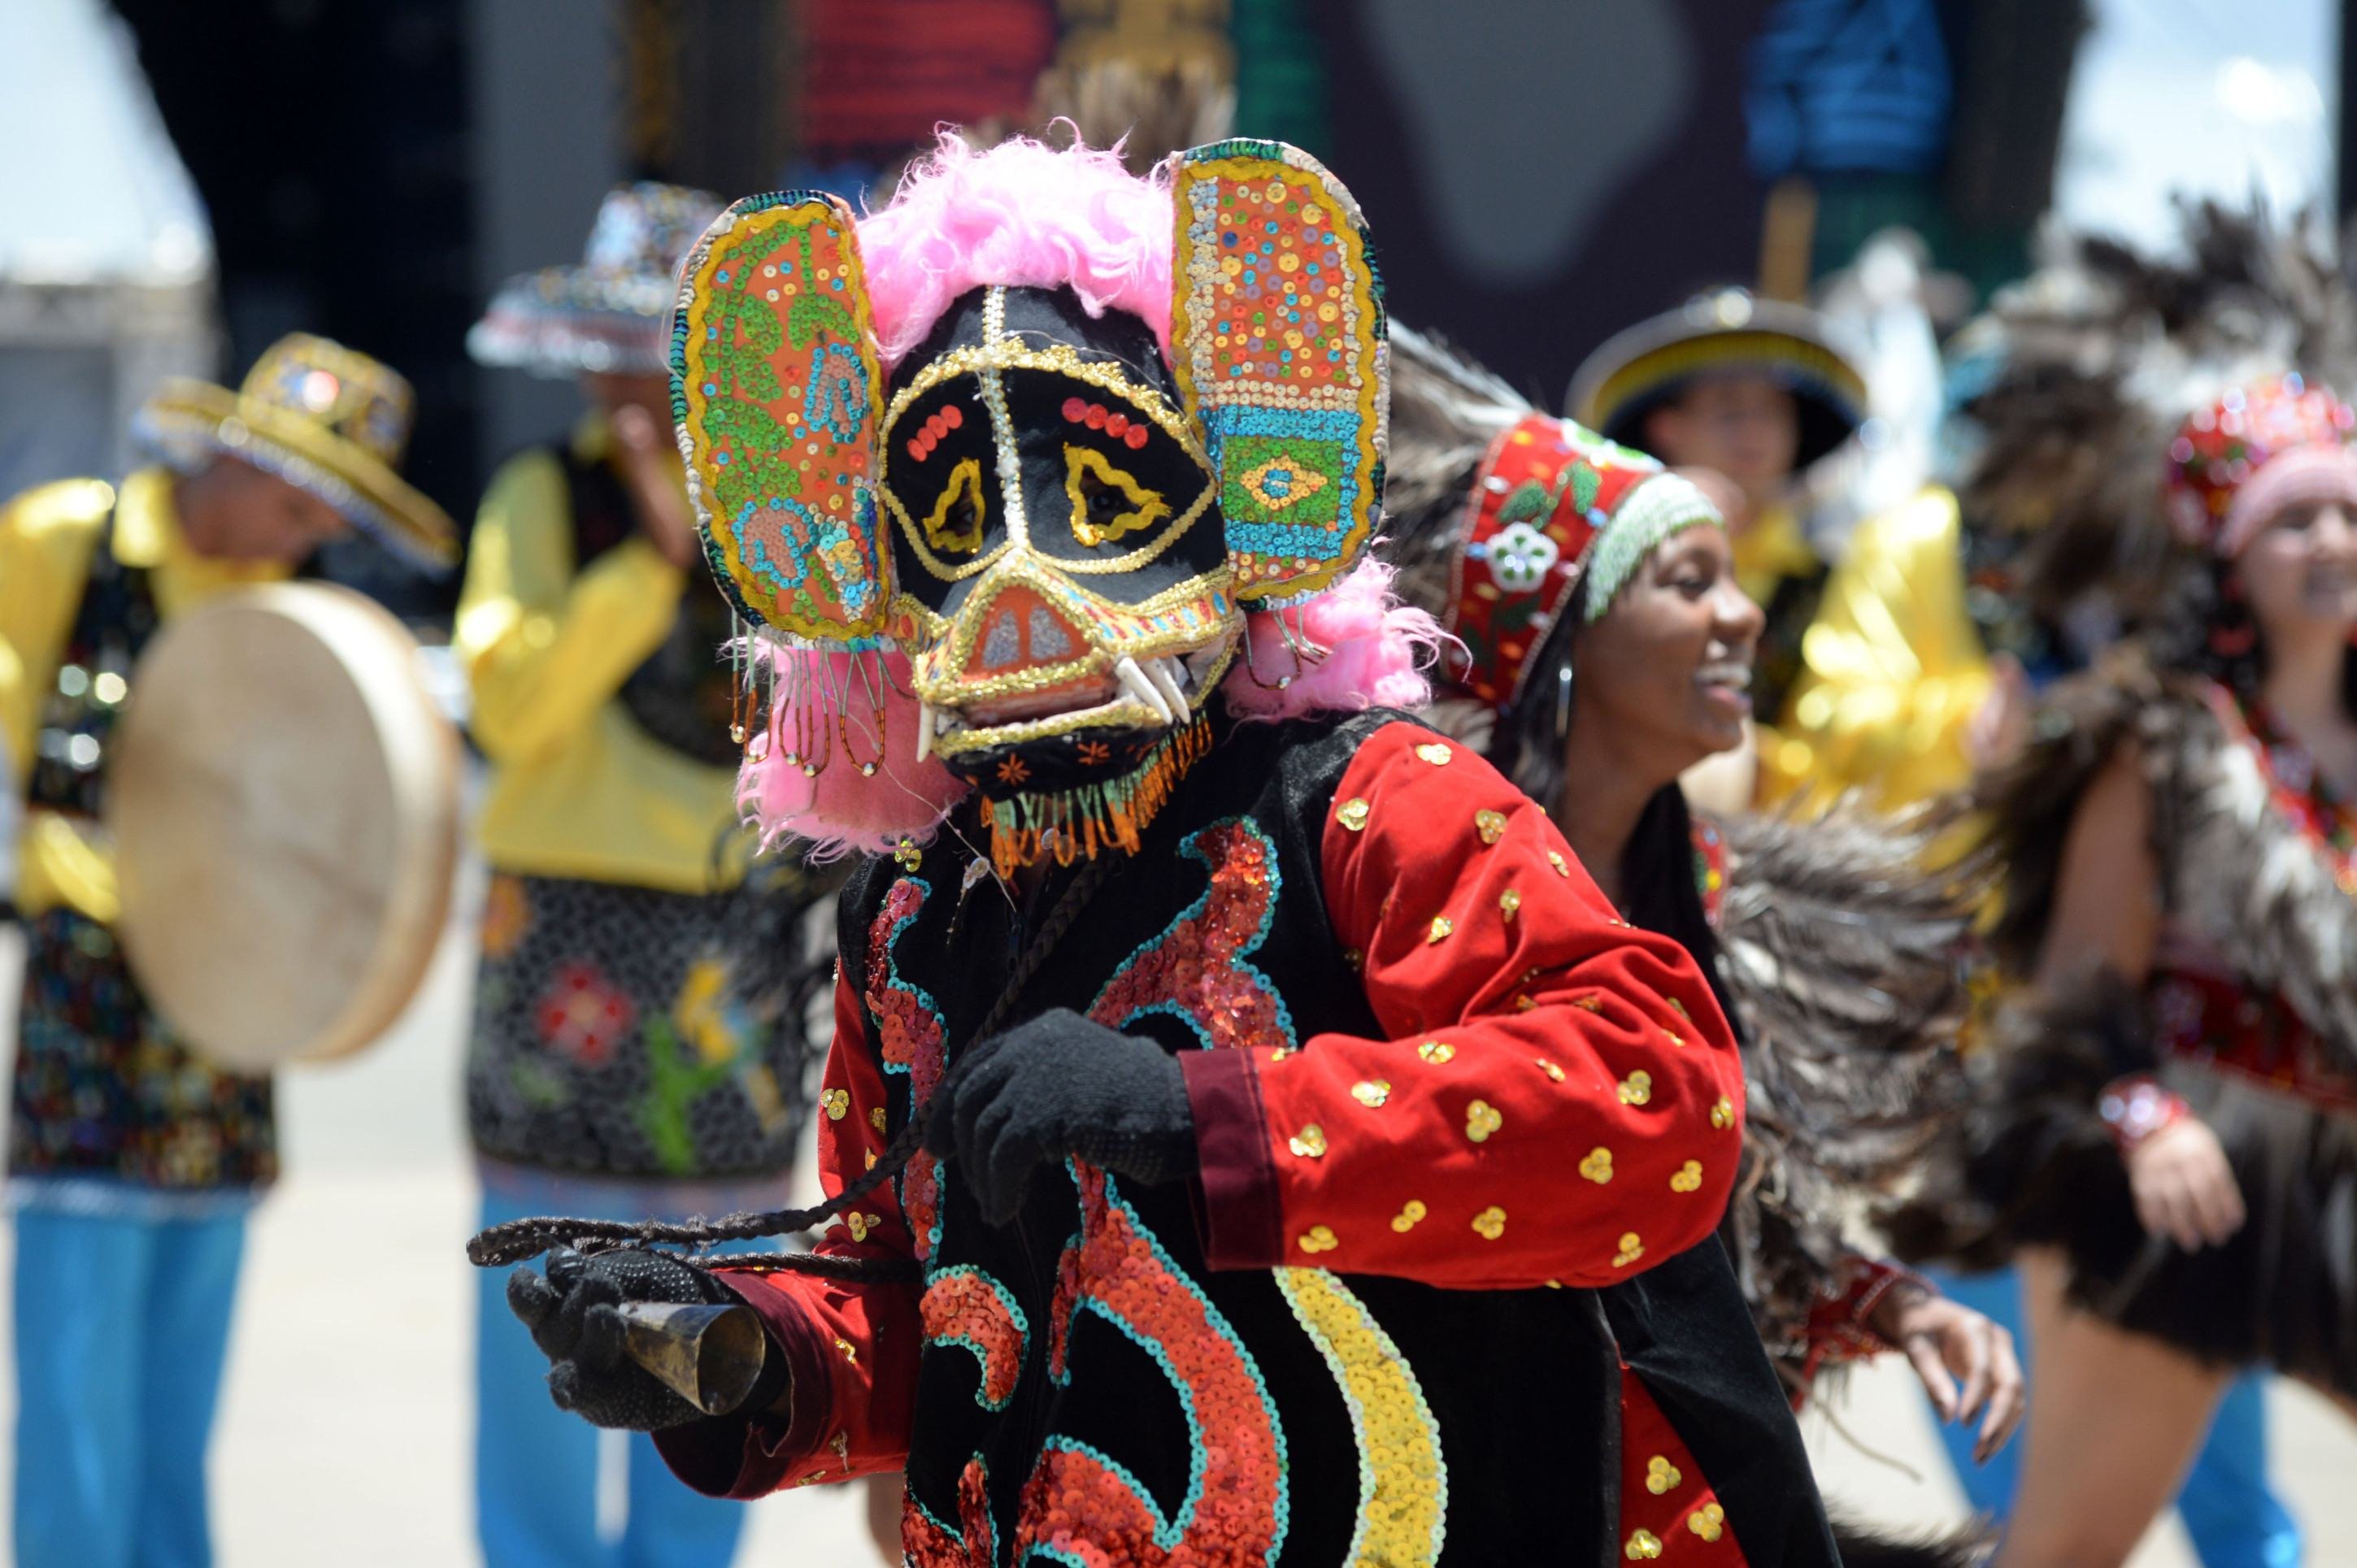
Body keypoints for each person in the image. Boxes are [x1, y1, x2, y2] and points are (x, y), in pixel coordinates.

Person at [476, 132, 1848, 1565]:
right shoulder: (914, 909)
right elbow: (919, 1291)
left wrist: (1208, 1116)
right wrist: (740, 1346)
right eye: (947, 511)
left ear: (1229, 497)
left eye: (1102, 486)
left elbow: (1653, 1106)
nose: (1020, 581)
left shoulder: (1376, 804)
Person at [1385, 325, 2023, 1469]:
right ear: (1560, 637)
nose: (1740, 617)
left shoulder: (1719, 901)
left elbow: (1726, 1213)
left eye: (1734, 579)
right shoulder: (1419, 907)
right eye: (1690, 583)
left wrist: (1885, 1302)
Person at [0, 334, 456, 1567]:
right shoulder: (66, 544)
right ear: (221, 458)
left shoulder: (290, 618)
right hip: (85, 1027)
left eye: (321, 522)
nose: (295, 537)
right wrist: (53, 862)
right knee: (74, 1391)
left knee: (178, 1410)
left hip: (227, 1026)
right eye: (288, 502)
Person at [1896, 353, 2357, 1566]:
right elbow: (2072, 996)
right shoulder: (2158, 740)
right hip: (2175, 1185)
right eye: (2292, 516)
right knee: (2065, 1548)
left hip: (2338, 1171)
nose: (2330, 539)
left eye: (2349, 511)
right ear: (2226, 559)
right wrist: (2148, 1117)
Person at [459, 181, 831, 1568]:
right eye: (616, 351)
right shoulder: (541, 493)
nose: (632, 381)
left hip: (736, 941)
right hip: (563, 932)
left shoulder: (790, 519)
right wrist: (644, 564)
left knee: (711, 1295)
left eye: (666, 351)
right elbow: (508, 710)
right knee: (540, 1284)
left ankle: (686, 1551)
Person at [1568, 288, 1874, 798]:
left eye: (1772, 411)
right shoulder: (1606, 563)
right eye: (1730, 410)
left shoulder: (1838, 574)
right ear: (1667, 429)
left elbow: (1847, 735)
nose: (1754, 431)